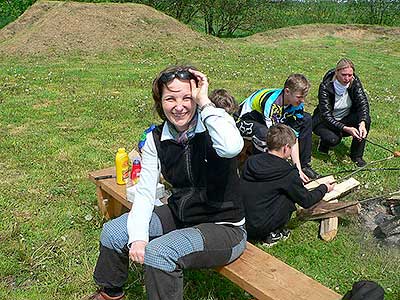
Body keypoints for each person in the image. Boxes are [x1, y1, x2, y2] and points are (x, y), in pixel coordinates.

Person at [88, 65, 247, 300]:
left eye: (187, 97)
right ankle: (110, 293)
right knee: (113, 232)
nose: (179, 106)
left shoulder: (215, 124)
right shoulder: (156, 138)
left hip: (223, 226)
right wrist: (138, 238)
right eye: (170, 98)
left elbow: (232, 147)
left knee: (159, 253)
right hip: (180, 215)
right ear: (160, 102)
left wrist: (205, 102)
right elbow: (145, 193)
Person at [240, 124, 334, 246]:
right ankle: (271, 233)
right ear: (286, 148)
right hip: (258, 227)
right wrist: (324, 188)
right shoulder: (287, 172)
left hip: (240, 219)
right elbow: (306, 200)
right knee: (289, 198)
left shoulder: (251, 161)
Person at [236, 74, 319, 182]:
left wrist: (297, 169)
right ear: (287, 91)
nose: (302, 101)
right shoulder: (271, 103)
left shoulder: (297, 104)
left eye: (304, 97)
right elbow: (275, 138)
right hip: (244, 121)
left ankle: (304, 166)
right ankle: (259, 171)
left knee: (306, 119)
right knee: (264, 134)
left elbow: (294, 137)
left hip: (269, 120)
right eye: (299, 97)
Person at [312, 58, 371, 167]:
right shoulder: (325, 86)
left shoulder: (354, 83)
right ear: (336, 72)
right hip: (325, 122)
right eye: (344, 74)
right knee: (333, 139)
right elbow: (326, 116)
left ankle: (356, 155)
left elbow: (363, 104)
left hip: (345, 118)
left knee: (365, 119)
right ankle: (324, 143)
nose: (347, 78)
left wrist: (362, 123)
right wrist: (346, 128)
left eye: (350, 75)